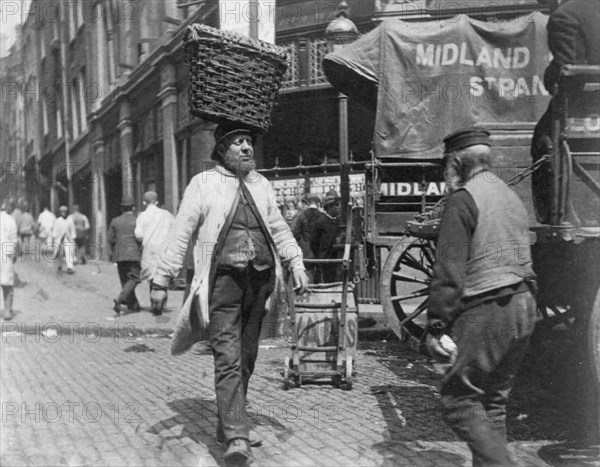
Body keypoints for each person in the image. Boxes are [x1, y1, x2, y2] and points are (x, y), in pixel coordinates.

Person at [150, 123, 308, 465]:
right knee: (228, 357)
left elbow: (279, 227)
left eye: (249, 141)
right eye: (237, 142)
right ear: (221, 150)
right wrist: (161, 279)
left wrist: (295, 262)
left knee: (248, 356)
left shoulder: (261, 184)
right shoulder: (203, 184)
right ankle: (237, 435)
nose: (246, 148)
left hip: (260, 282)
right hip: (222, 283)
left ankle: (228, 423)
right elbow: (181, 232)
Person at [425, 128, 538, 466]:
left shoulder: (463, 198)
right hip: (524, 303)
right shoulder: (508, 194)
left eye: (448, 164)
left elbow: (449, 270)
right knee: (493, 404)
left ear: (456, 162)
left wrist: (435, 327)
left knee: (458, 402)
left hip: (488, 306)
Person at [531, 0, 600, 223]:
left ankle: (554, 215)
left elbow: (564, 66)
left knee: (542, 137)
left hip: (583, 104)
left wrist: (549, 78)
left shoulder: (564, 16)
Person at [107, 197, 142, 314]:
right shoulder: (137, 220)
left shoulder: (115, 221)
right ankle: (121, 298)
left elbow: (110, 239)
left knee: (124, 279)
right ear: (133, 207)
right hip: (133, 253)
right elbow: (141, 237)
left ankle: (133, 305)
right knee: (135, 278)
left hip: (119, 254)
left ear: (122, 208)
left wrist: (113, 251)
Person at [134, 191, 174, 287]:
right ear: (156, 202)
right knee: (162, 280)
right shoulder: (167, 214)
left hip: (149, 251)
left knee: (151, 279)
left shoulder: (142, 216)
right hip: (164, 250)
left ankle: (153, 301)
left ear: (144, 202)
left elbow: (139, 235)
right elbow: (175, 230)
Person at [310, 190, 341, 283]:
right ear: (330, 207)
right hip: (324, 262)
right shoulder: (320, 222)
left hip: (335, 260)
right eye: (337, 205)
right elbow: (313, 243)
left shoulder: (338, 222)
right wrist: (321, 254)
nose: (339, 208)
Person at [1, 200, 18, 320]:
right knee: (7, 282)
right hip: (5, 254)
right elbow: (13, 239)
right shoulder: (10, 220)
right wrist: (13, 255)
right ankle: (7, 310)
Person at [52, 205, 77, 274]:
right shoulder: (58, 220)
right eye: (62, 212)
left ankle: (70, 267)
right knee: (60, 253)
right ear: (60, 212)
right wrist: (54, 238)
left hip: (68, 239)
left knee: (68, 252)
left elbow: (73, 230)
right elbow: (55, 231)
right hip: (59, 239)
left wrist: (73, 238)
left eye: (65, 211)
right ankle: (60, 265)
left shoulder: (70, 220)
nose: (63, 213)